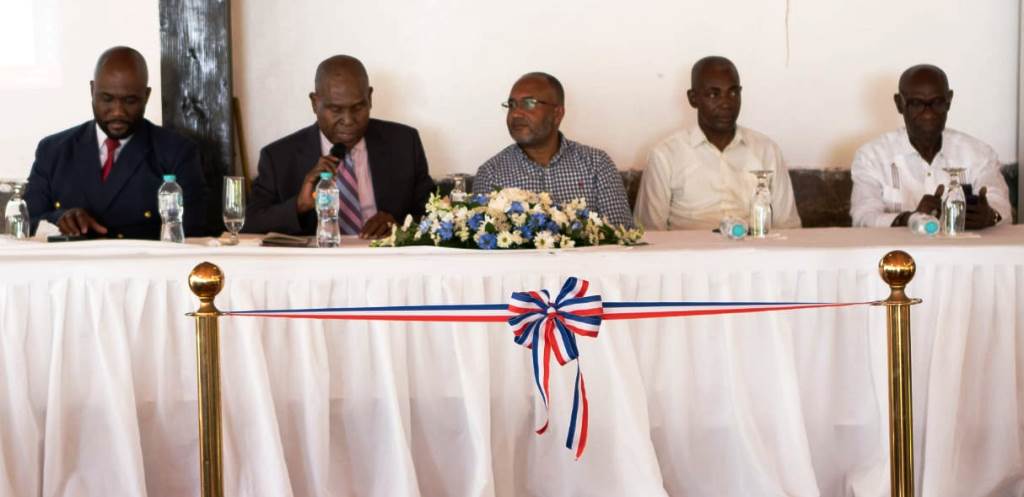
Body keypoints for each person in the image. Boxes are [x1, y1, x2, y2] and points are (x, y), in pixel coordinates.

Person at [25, 46, 207, 239]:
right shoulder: (53, 150)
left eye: (130, 101)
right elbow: (27, 223)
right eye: (107, 99)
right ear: (92, 90)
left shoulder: (177, 152)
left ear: (146, 96)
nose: (118, 111)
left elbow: (194, 233)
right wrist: (60, 218)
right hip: (71, 259)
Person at [244, 55, 434, 238]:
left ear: (369, 98)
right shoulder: (278, 157)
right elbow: (248, 225)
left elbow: (434, 217)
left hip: (386, 257)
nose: (348, 120)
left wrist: (400, 226)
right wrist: (299, 205)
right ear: (314, 103)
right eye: (336, 109)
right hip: (314, 259)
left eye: (358, 107)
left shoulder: (404, 143)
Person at [634, 56, 801, 231]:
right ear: (693, 98)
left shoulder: (767, 150)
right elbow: (650, 232)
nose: (726, 103)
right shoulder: (665, 155)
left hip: (754, 247)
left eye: (733, 93)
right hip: (691, 248)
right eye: (714, 94)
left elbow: (789, 227)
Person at [850, 64, 1011, 228]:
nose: (928, 113)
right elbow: (863, 217)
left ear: (949, 101)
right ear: (899, 103)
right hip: (899, 246)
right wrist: (908, 219)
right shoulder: (871, 156)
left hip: (964, 245)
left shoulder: (979, 153)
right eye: (916, 103)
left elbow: (1001, 206)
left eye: (937, 102)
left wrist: (991, 216)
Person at [472, 72, 633, 227]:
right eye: (512, 105)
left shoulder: (597, 164)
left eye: (529, 103)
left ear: (557, 114)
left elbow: (622, 236)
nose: (516, 114)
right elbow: (481, 239)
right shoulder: (491, 174)